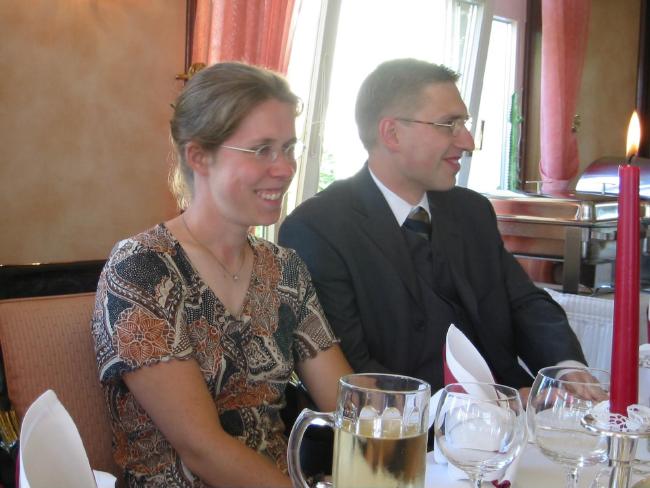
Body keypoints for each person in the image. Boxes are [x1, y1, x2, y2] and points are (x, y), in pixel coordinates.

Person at [91, 62, 352, 488]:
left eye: (288, 148)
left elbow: (345, 403)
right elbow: (202, 449)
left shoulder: (285, 268)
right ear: (199, 157)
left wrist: (401, 427)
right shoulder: (142, 269)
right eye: (262, 150)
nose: (285, 168)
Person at [279, 58, 587, 397]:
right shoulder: (319, 228)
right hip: (407, 422)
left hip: (512, 411)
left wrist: (566, 369)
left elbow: (524, 302)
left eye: (464, 124)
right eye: (449, 124)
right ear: (392, 133)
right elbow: (354, 370)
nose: (468, 141)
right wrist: (488, 405)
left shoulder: (472, 211)